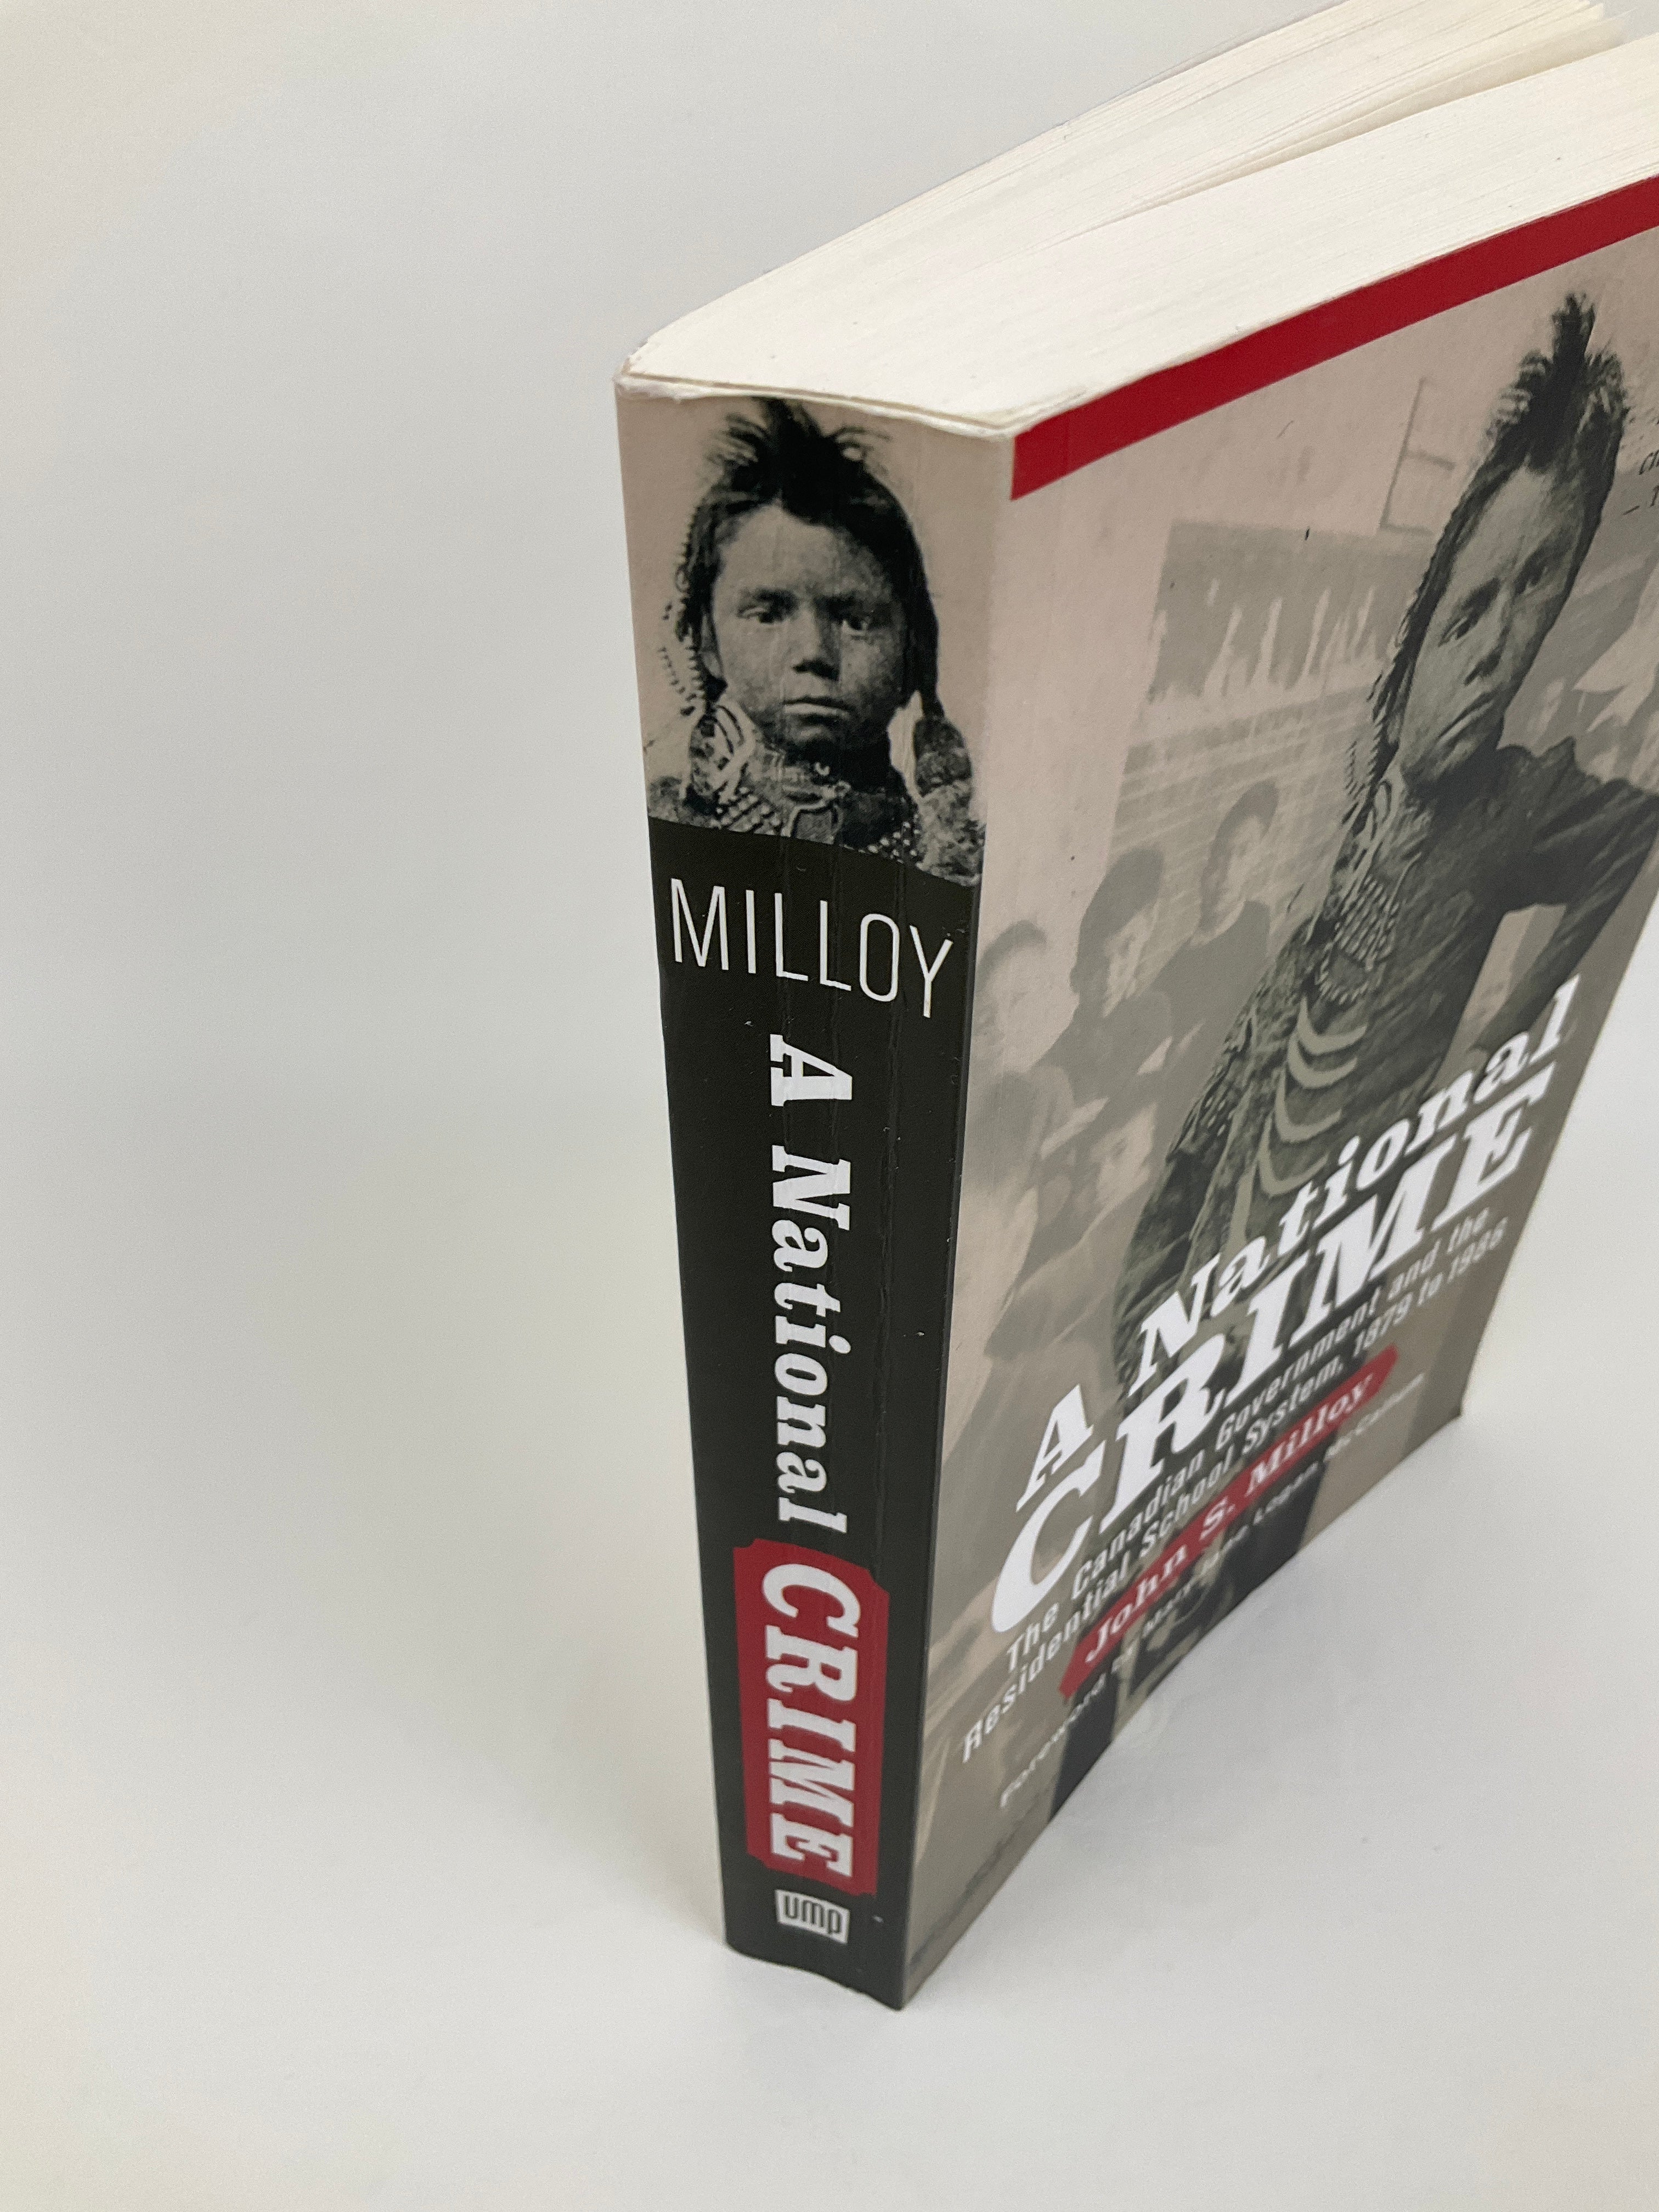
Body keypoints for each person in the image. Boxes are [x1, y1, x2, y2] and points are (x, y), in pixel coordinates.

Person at [1053, 294, 1659, 1807]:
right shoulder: (1356, 822)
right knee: (1102, 1657)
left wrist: (1499, 1060)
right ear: (1427, 611)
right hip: (1188, 1330)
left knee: (1251, 1588)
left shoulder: (1508, 810)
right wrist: (1145, 1306)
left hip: (1317, 1313)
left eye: (1537, 594)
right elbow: (1227, 1101)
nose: (1496, 644)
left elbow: (1629, 841)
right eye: (1472, 604)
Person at [649, 398, 981, 882]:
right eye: (768, 615)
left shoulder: (955, 866)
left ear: (912, 652)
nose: (813, 654)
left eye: (856, 621)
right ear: (708, 644)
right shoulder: (674, 837)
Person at [1151, 782, 1277, 1141]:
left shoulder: (1256, 923)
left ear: (1257, 858)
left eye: (1243, 854)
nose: (1227, 873)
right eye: (1221, 856)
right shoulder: (1174, 970)